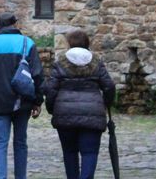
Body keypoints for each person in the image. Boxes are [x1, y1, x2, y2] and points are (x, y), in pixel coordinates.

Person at [0, 13, 44, 179]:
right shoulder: (27, 44)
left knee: (0, 143)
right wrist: (37, 101)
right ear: (15, 24)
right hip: (23, 101)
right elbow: (37, 75)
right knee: (20, 143)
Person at [44, 29, 116, 179]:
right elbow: (109, 86)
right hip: (92, 114)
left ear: (70, 43)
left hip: (65, 114)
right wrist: (105, 104)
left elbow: (50, 89)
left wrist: (52, 109)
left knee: (69, 152)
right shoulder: (97, 63)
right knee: (89, 152)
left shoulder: (60, 63)